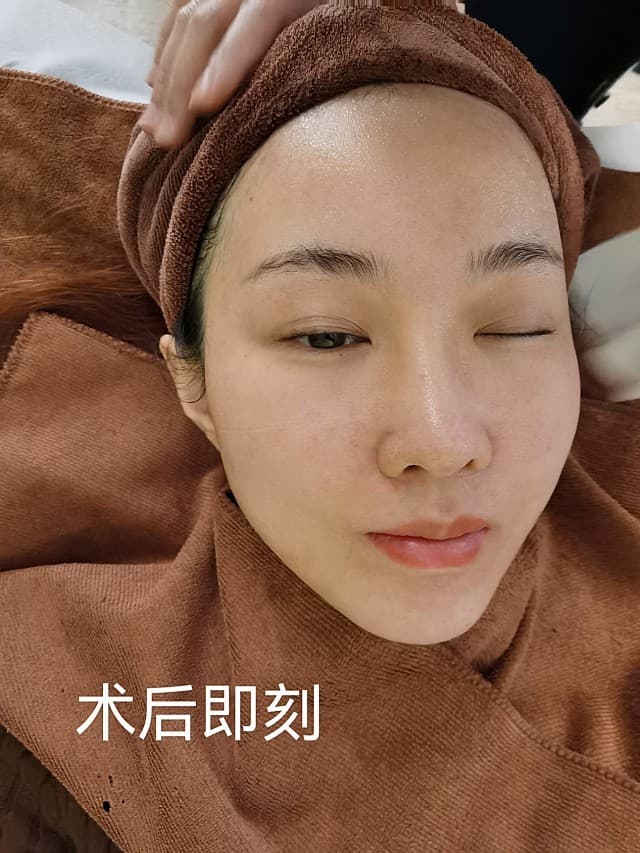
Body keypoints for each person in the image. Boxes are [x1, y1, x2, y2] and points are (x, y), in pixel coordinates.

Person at [0, 3, 639, 851]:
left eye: (514, 326)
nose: (441, 439)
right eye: (326, 335)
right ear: (192, 381)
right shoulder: (59, 700)